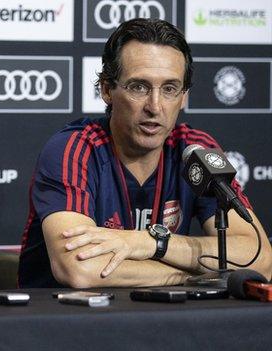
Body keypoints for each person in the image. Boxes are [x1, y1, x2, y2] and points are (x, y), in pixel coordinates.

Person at [18, 18, 272, 288]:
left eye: (170, 89)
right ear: (106, 89)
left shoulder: (194, 152)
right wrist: (195, 275)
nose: (155, 106)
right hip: (66, 323)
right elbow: (80, 269)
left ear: (184, 96)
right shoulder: (74, 149)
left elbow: (260, 259)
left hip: (163, 321)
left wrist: (152, 242)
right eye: (139, 87)